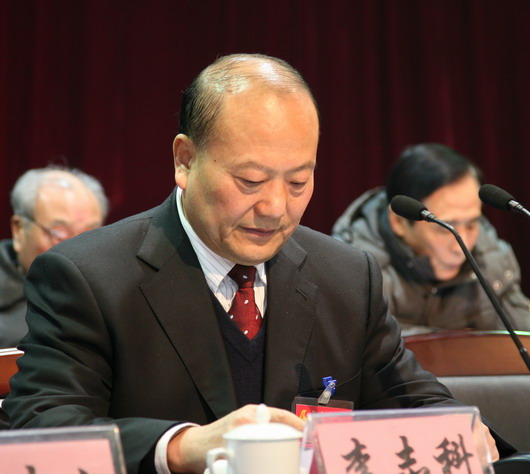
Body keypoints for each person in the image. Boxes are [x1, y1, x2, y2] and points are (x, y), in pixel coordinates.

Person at [5, 56, 508, 474]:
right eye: (250, 181)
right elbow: (41, 428)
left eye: (298, 182)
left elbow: (420, 405)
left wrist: (461, 432)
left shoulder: (347, 276)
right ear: (185, 160)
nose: (275, 208)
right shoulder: (88, 276)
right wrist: (183, 446)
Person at [333, 143, 530, 336]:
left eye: (472, 224)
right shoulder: (356, 273)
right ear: (399, 222)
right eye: (445, 229)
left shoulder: (493, 258)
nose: (462, 246)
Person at [0, 166, 108, 348]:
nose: (78, 248)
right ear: (19, 230)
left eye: (90, 233)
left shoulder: (116, 292)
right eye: (59, 233)